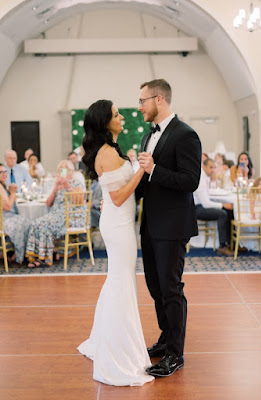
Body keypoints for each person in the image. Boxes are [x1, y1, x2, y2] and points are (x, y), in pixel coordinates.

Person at [77, 99, 154, 386]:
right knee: (121, 282)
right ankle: (119, 351)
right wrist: (142, 169)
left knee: (118, 281)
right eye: (115, 114)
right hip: (119, 226)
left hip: (120, 224)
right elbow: (119, 197)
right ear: (104, 123)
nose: (121, 117)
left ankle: (109, 337)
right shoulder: (107, 153)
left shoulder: (111, 150)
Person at [136, 79, 201, 377]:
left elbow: (190, 181)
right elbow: (145, 181)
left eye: (142, 101)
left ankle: (176, 354)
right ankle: (165, 338)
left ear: (158, 99)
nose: (139, 107)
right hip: (150, 223)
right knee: (155, 286)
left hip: (173, 225)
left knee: (171, 289)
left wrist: (154, 170)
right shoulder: (147, 135)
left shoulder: (186, 135)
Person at [25, 160, 84, 267]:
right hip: (55, 214)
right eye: (59, 169)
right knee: (35, 223)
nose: (61, 172)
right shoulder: (58, 184)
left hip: (69, 215)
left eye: (64, 169)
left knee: (43, 225)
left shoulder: (76, 182)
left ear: (71, 171)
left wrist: (67, 186)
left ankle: (44, 257)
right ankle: (37, 256)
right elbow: (48, 203)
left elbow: (79, 201)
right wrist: (55, 189)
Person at [193, 158, 234, 256]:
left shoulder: (206, 178)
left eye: (215, 167)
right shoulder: (201, 180)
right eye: (211, 167)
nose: (213, 170)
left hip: (201, 205)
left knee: (229, 211)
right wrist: (223, 205)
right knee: (223, 214)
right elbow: (206, 204)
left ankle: (232, 244)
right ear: (204, 167)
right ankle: (222, 246)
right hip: (197, 209)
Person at [0, 163, 30, 264]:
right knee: (24, 222)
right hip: (2, 220)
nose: (4, 174)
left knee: (25, 221)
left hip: (6, 216)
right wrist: (12, 192)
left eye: (5, 172)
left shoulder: (3, 185)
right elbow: (8, 206)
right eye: (1, 172)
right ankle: (19, 254)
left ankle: (19, 253)